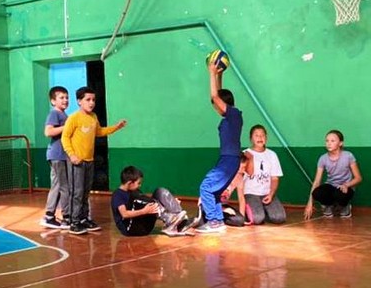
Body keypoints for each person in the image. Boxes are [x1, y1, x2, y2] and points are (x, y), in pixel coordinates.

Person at [61, 86, 126, 235]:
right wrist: (72, 155)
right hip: (76, 162)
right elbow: (65, 137)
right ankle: (74, 221)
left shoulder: (93, 117)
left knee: (85, 192)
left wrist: (116, 127)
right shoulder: (74, 118)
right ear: (79, 101)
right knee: (77, 192)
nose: (91, 103)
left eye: (93, 100)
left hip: (89, 161)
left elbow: (99, 131)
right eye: (88, 100)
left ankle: (84, 218)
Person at [195, 60, 243, 233]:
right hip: (228, 159)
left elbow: (216, 97)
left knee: (206, 187)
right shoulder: (231, 116)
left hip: (229, 159)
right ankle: (218, 221)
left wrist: (211, 73)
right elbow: (219, 96)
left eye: (216, 105)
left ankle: (214, 221)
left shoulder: (234, 114)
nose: (215, 108)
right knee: (214, 191)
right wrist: (219, 75)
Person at [224, 125, 285, 225]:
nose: (260, 138)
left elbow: (274, 178)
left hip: (266, 193)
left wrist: (271, 194)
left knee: (279, 218)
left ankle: (263, 210)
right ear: (251, 138)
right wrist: (251, 159)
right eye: (256, 135)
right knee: (257, 219)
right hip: (251, 193)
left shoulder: (272, 155)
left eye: (262, 135)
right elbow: (249, 173)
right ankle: (255, 211)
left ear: (266, 138)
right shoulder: (245, 154)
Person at [110, 166, 190, 237]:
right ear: (130, 183)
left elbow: (149, 202)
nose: (140, 185)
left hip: (142, 223)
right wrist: (144, 211)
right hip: (131, 229)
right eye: (138, 183)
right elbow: (124, 214)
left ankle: (181, 220)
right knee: (143, 201)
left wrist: (169, 203)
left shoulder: (134, 191)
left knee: (160, 191)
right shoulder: (118, 195)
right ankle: (171, 220)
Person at [304, 130, 362, 220]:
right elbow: (317, 181)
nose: (329, 143)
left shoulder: (348, 156)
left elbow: (358, 178)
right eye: (327, 141)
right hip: (331, 186)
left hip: (345, 188)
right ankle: (328, 206)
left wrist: (346, 185)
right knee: (317, 192)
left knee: (340, 195)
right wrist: (309, 203)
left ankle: (344, 207)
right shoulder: (323, 158)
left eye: (332, 141)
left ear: (340, 143)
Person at [40, 86, 70, 229]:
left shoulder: (64, 115)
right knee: (64, 187)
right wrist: (67, 126)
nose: (65, 100)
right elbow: (48, 132)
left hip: (62, 155)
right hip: (57, 155)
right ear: (53, 101)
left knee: (58, 185)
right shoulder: (54, 113)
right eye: (61, 97)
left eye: (67, 97)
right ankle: (66, 217)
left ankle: (49, 216)